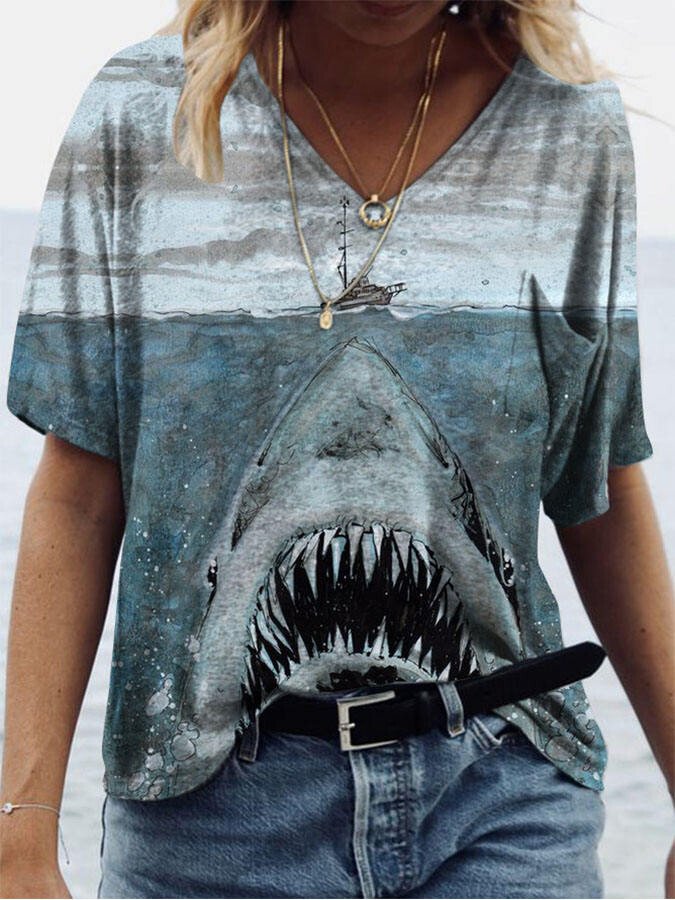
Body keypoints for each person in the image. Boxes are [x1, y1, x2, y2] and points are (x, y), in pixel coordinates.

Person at [1, 0, 673, 897]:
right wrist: (20, 831)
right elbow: (80, 494)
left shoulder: (566, 125)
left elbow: (599, 484)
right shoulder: (139, 113)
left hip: (501, 798)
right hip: (207, 825)